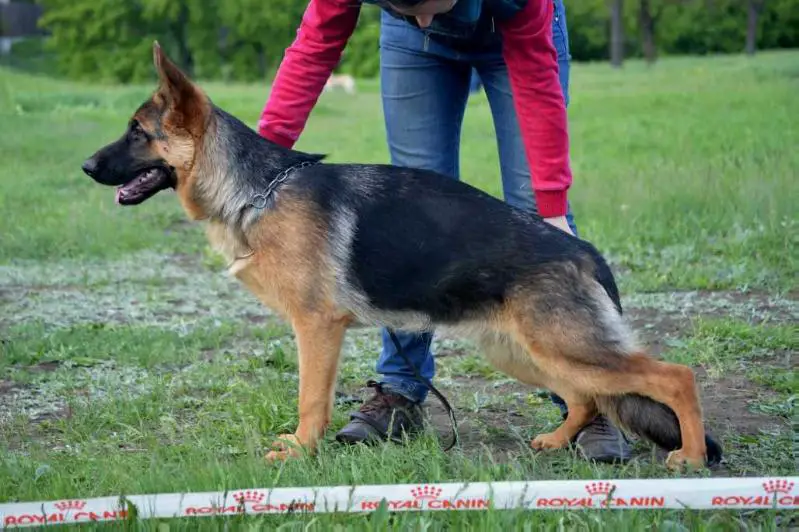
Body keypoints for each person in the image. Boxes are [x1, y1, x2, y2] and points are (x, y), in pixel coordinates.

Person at [257, 0, 632, 463]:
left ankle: (595, 399)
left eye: (431, 7)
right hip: (414, 55)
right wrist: (264, 159)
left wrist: (551, 207)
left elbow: (538, 86)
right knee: (409, 216)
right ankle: (400, 389)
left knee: (536, 210)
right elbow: (315, 45)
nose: (425, 22)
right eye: (406, 10)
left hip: (512, 30)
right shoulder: (412, 22)